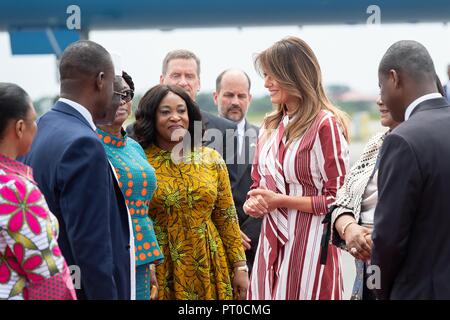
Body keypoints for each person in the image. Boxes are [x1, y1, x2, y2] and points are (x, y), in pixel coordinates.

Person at [22, 40, 134, 300]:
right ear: (101, 80)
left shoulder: (41, 128)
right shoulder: (84, 143)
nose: (117, 97)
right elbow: (91, 248)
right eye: (114, 88)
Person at [244, 36, 350, 300]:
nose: (266, 83)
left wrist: (281, 200)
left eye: (272, 76)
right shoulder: (269, 125)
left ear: (294, 75)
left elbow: (338, 200)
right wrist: (253, 204)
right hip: (271, 244)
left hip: (312, 245)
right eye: (265, 76)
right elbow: (258, 186)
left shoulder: (325, 124)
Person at [133, 84, 248, 300]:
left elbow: (226, 217)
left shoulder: (210, 158)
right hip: (161, 264)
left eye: (181, 110)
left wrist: (241, 267)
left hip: (210, 260)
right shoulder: (141, 163)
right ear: (151, 117)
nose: (175, 117)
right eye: (165, 112)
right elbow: (135, 218)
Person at [372, 40, 450, 300]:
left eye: (381, 86)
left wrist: (377, 292)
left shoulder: (402, 140)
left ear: (394, 78)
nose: (381, 98)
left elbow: (387, 240)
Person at [0, 83, 76, 300]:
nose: (37, 127)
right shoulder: (16, 190)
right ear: (20, 127)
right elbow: (48, 275)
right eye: (34, 120)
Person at [96, 71, 163, 300]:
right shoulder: (89, 144)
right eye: (113, 93)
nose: (122, 101)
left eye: (126, 94)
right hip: (111, 256)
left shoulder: (133, 146)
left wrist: (150, 263)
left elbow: (143, 208)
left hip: (142, 257)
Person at [329, 98, 400, 300]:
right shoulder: (376, 143)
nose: (380, 100)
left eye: (387, 89)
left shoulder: (428, 147)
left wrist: (376, 236)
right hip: (367, 274)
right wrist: (350, 228)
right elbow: (341, 200)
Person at [213, 68, 261, 273]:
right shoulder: (198, 137)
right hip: (213, 241)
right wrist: (228, 233)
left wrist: (246, 234)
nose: (235, 101)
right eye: (228, 95)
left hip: (252, 244)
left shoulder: (265, 138)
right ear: (216, 97)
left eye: (241, 96)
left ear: (249, 98)